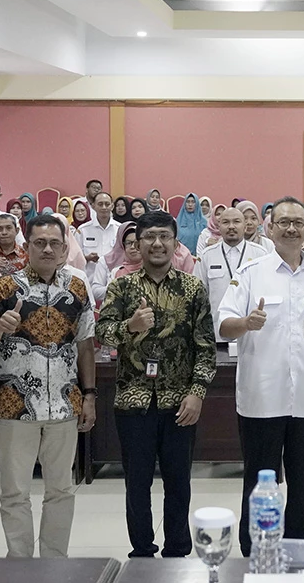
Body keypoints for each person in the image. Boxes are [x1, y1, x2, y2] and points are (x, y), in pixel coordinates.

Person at [217, 197, 304, 557]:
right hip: (261, 400)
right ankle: (256, 553)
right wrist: (246, 323)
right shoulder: (250, 274)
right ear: (269, 228)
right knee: (260, 482)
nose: (291, 229)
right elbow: (224, 324)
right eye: (284, 222)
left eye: (298, 222)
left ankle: (300, 552)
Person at [0, 214, 97, 558]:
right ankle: (20, 565)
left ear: (64, 249)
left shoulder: (77, 288)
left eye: (54, 243)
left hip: (64, 405)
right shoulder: (4, 287)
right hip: (15, 406)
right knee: (15, 493)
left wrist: (89, 395)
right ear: (26, 247)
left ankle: (54, 563)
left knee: (61, 490)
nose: (47, 249)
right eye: (39, 243)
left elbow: (86, 344)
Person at [97, 210, 216, 558]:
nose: (157, 243)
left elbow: (205, 347)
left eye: (164, 236)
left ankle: (177, 550)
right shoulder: (121, 285)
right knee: (137, 483)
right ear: (138, 243)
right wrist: (129, 326)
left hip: (180, 402)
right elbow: (102, 332)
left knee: (178, 482)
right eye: (149, 237)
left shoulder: (192, 287)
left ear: (176, 243)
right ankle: (142, 550)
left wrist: (197, 393)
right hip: (133, 401)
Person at [193, 207, 268, 345]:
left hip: (252, 336)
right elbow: (197, 297)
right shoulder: (207, 256)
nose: (231, 226)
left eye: (236, 222)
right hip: (216, 334)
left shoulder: (260, 255)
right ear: (218, 226)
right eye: (226, 222)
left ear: (245, 226)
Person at [76, 191, 119, 281]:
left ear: (112, 206)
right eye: (100, 204)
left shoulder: (119, 229)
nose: (104, 207)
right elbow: (76, 258)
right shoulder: (83, 230)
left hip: (113, 280)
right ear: (93, 206)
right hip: (90, 279)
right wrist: (87, 258)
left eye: (107, 204)